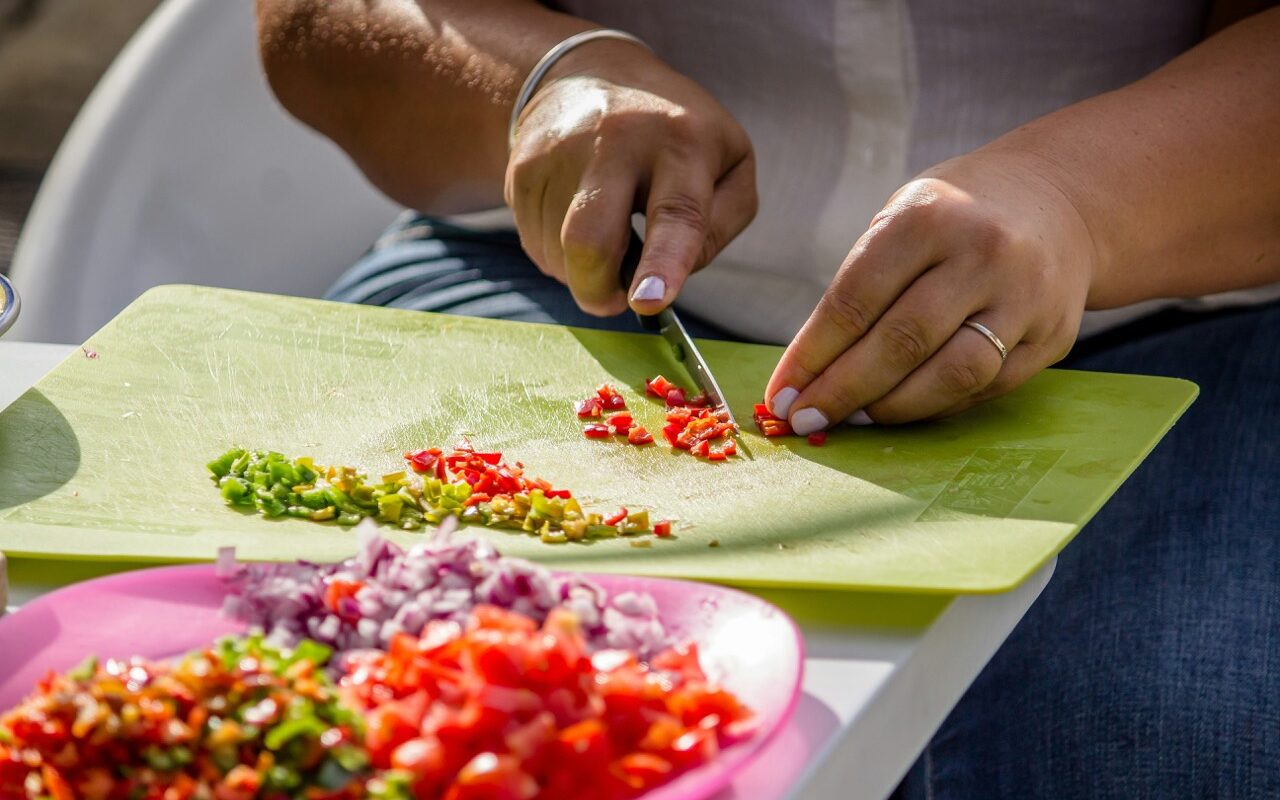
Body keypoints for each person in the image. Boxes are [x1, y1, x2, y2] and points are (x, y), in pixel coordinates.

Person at [255, 1, 1280, 796]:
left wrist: (1078, 203)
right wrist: (537, 79)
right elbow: (313, 25)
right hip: (557, 281)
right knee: (410, 686)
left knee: (1166, 732)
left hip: (1186, 308)